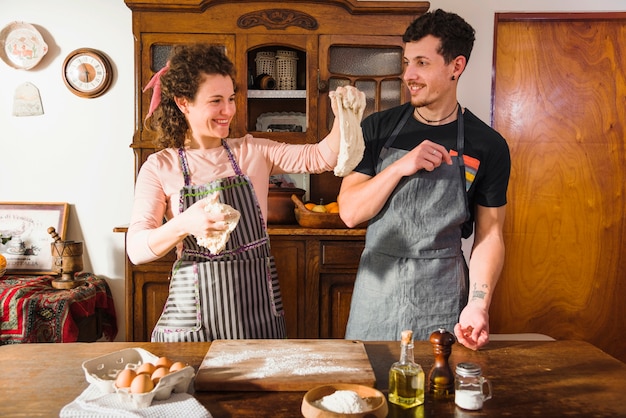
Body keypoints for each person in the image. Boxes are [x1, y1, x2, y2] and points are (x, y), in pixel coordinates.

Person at [127, 44, 349, 342]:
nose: (229, 110)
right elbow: (136, 250)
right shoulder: (160, 167)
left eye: (231, 98)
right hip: (194, 324)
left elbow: (323, 157)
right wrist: (183, 224)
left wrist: (343, 115)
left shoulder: (252, 151)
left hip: (257, 318)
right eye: (216, 101)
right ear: (183, 102)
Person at [338, 9, 511, 350]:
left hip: (442, 293)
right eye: (406, 62)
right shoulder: (376, 129)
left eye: (422, 63)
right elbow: (350, 212)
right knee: (371, 390)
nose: (408, 75)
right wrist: (400, 166)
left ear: (456, 67)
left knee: (439, 393)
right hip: (378, 290)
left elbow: (490, 234)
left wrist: (478, 303)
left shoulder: (487, 145)